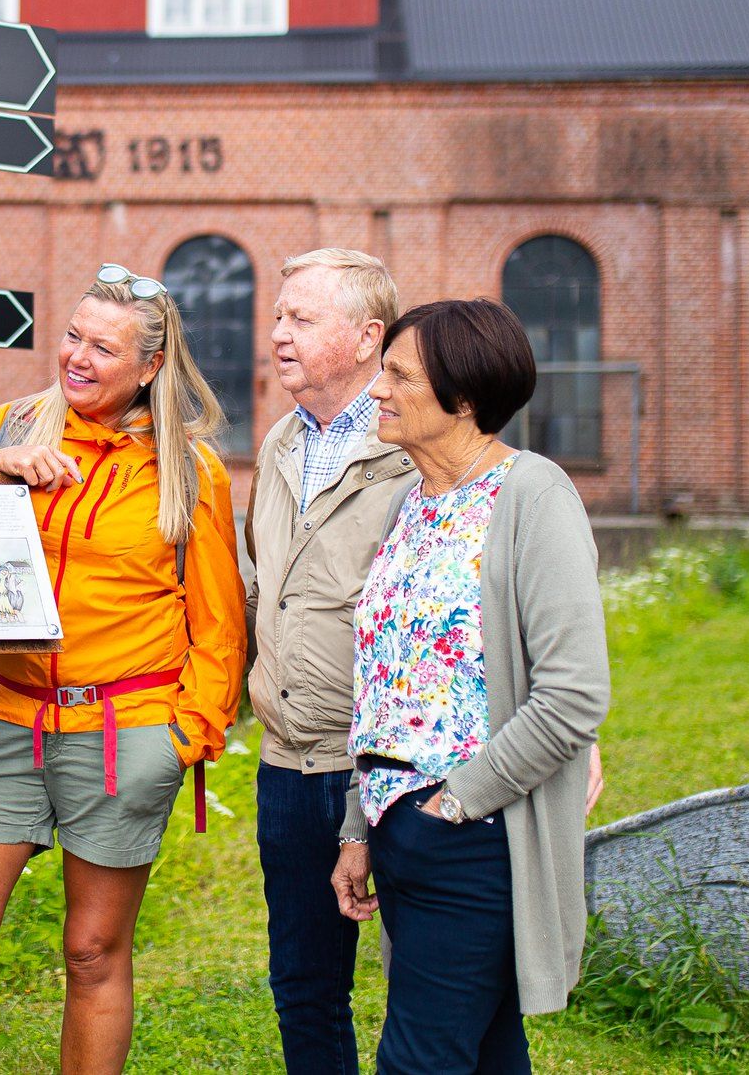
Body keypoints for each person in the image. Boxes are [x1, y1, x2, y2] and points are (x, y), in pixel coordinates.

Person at [0, 264, 246, 1075]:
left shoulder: (190, 472)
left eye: (104, 346)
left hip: (126, 729)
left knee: (93, 951)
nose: (79, 357)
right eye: (73, 336)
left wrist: (185, 735)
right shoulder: (5, 427)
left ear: (149, 366)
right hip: (4, 716)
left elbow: (220, 622)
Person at [331, 299, 610, 1075]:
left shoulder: (535, 497)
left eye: (398, 374)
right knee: (487, 1055)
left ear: (463, 398)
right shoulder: (407, 504)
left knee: (418, 1058)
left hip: (476, 835)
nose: (377, 390)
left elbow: (574, 692)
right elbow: (387, 685)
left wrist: (456, 801)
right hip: (402, 825)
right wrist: (360, 824)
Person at [243, 249, 415, 1074]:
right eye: (278, 316)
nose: (276, 334)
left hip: (388, 766)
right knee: (304, 985)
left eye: (300, 318)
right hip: (287, 763)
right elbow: (258, 588)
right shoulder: (278, 442)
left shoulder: (414, 454)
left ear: (364, 337)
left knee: (426, 984)